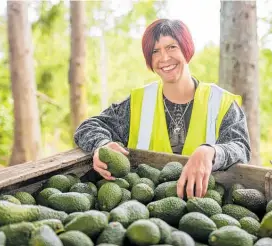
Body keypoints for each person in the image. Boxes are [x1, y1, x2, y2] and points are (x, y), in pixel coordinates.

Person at [74, 19, 251, 199]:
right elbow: (88, 127)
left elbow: (241, 148)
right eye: (155, 51)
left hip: (204, 207)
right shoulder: (138, 102)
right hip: (143, 209)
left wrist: (210, 151)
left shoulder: (220, 102)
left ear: (186, 48)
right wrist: (101, 145)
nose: (164, 58)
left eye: (172, 47)